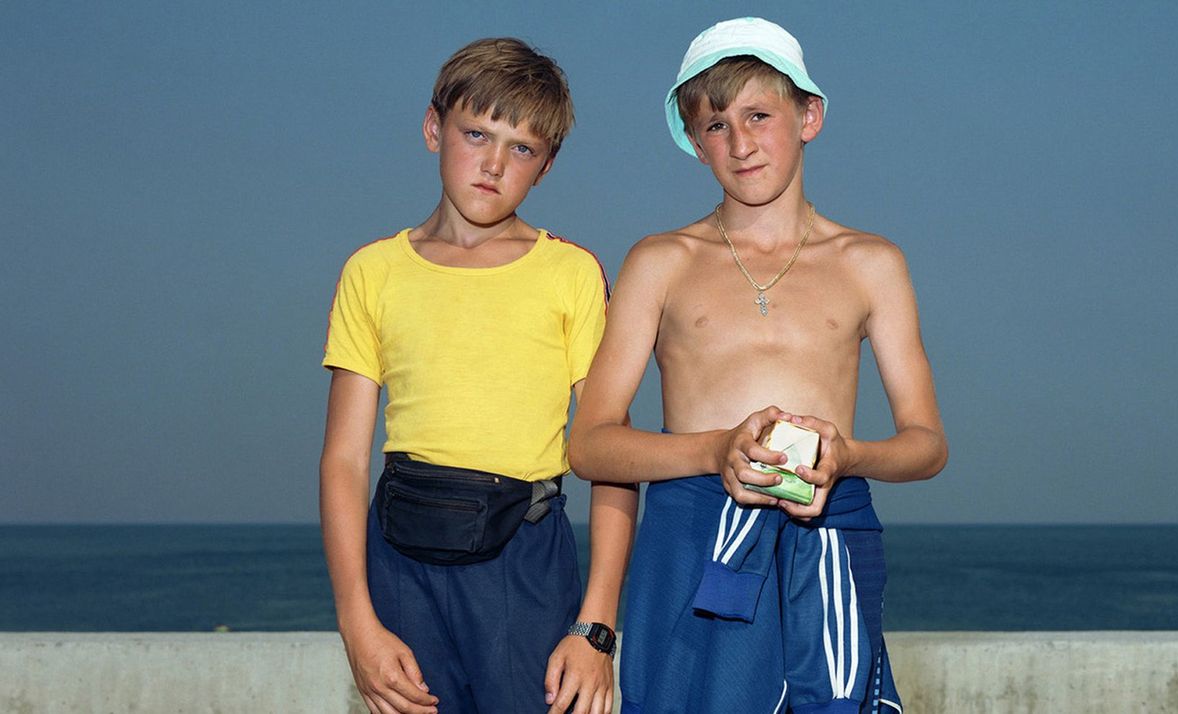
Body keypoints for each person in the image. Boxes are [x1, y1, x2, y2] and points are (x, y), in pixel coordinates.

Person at [569, 17, 947, 714]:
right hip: (691, 535)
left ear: (810, 116)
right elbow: (590, 444)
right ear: (693, 142)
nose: (739, 143)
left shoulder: (872, 264)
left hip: (828, 528)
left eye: (758, 115)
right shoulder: (660, 262)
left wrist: (851, 453)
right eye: (715, 125)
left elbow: (926, 444)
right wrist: (717, 450)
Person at [320, 37, 637, 714]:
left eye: (521, 148)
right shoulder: (372, 271)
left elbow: (611, 454)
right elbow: (345, 460)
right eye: (476, 134)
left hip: (525, 559)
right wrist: (356, 621)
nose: (494, 164)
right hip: (400, 559)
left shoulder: (570, 273)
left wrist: (596, 627)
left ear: (546, 166)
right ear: (434, 129)